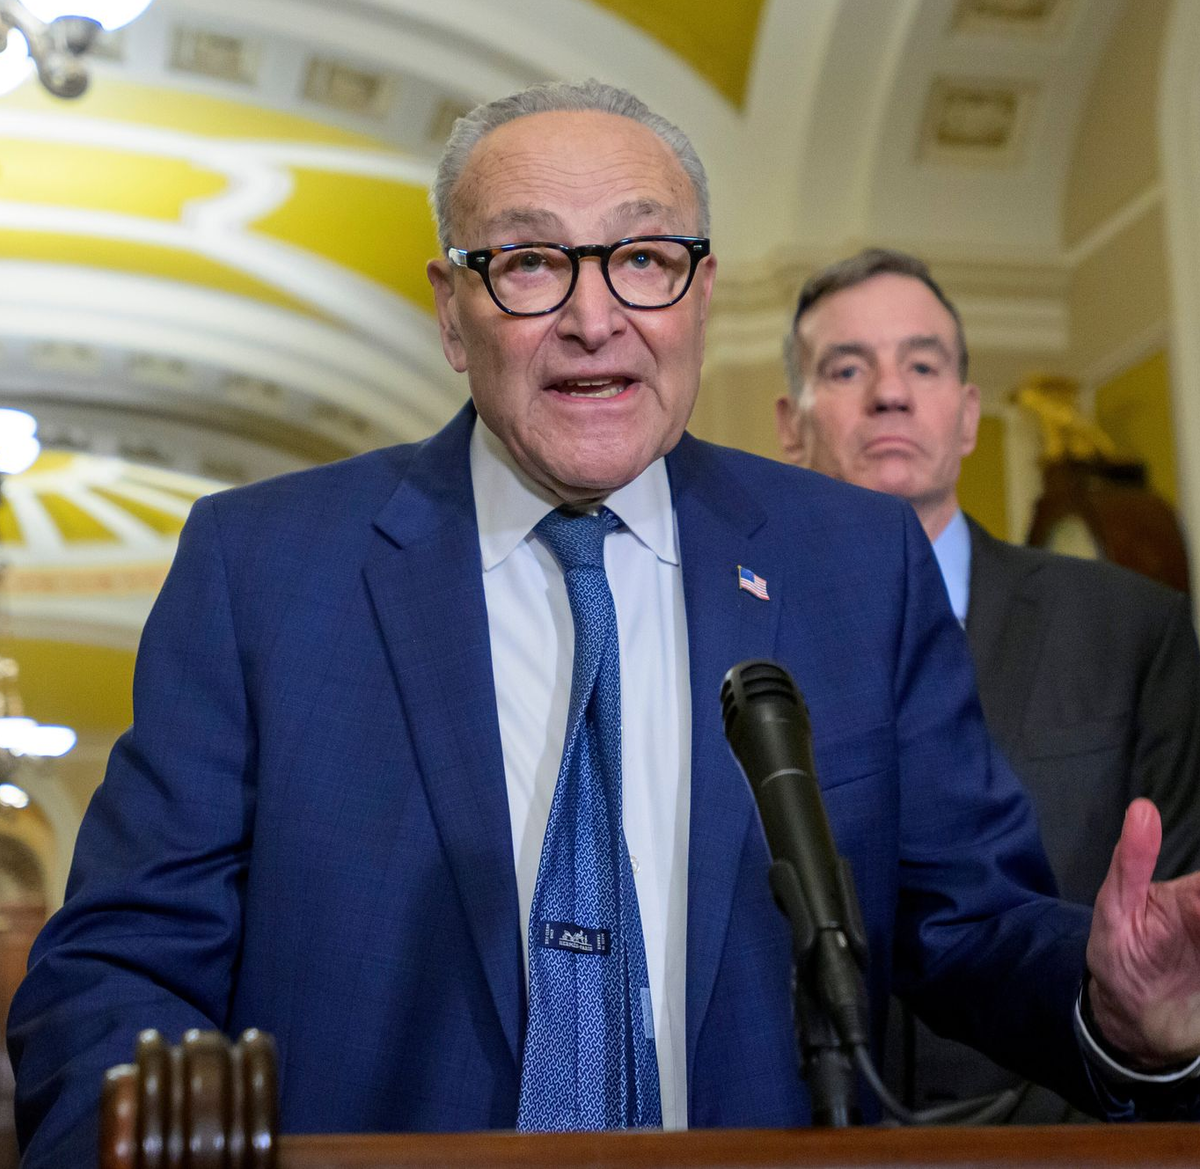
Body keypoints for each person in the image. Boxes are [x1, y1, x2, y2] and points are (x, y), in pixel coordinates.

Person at [10, 85, 1200, 1168]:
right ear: (450, 307)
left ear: (701, 292)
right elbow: (115, 968)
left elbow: (973, 924)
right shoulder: (262, 569)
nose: (594, 317)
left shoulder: (852, 564)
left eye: (642, 257)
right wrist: (147, 1139)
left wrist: (1115, 1004)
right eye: (529, 262)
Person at [775, 246, 1200, 1119]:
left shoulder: (1133, 630)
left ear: (969, 417)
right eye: (847, 366)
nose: (890, 392)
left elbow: (1178, 939)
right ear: (791, 423)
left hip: (1074, 1137)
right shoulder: (739, 634)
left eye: (923, 364)